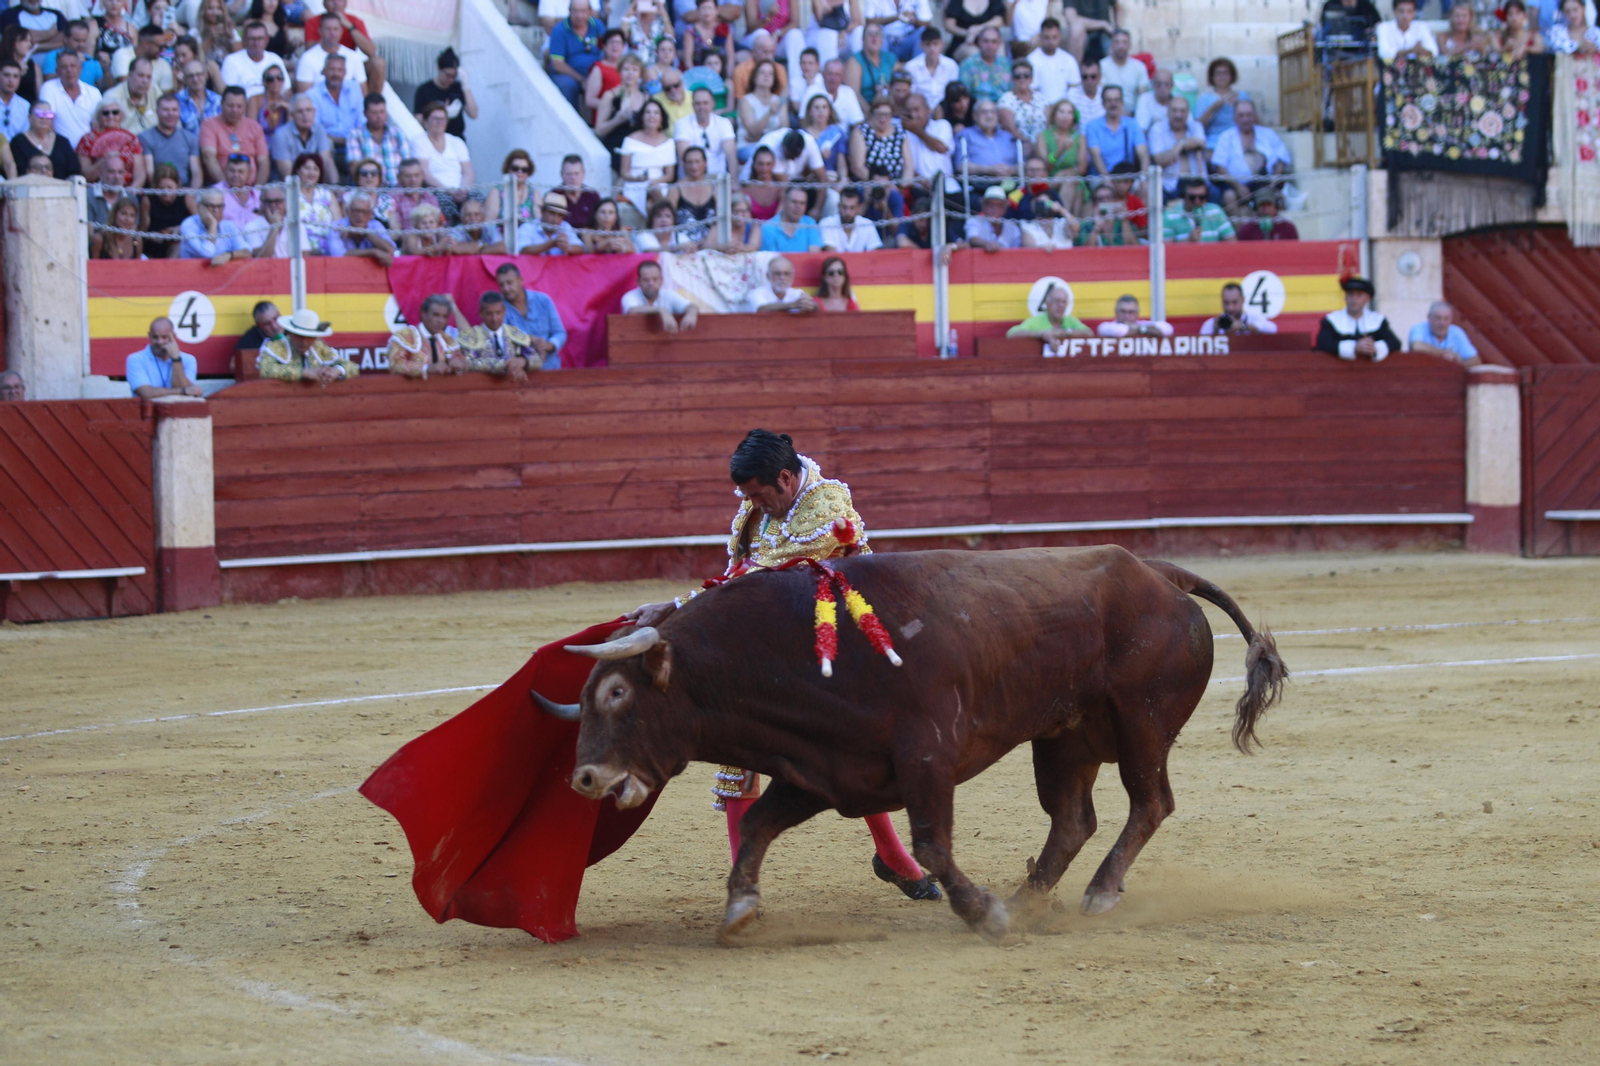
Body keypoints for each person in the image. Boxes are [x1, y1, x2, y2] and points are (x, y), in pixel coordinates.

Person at [623, 429, 942, 903]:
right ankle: (743, 886)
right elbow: (735, 574)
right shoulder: (758, 506)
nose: (752, 503)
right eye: (748, 495)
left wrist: (673, 608)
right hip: (769, 643)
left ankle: (894, 857)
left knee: (847, 752)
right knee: (738, 754)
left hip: (830, 652)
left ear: (787, 478)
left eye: (758, 494)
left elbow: (758, 580)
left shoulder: (826, 507)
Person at [1209, 99, 1290, 209]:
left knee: (1277, 197)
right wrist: (1238, 187)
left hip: (1265, 182)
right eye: (1241, 115)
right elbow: (1219, 166)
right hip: (1235, 184)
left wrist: (1273, 182)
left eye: (1248, 115)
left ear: (1255, 116)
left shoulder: (1268, 134)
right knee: (1229, 196)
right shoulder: (1226, 137)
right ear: (1234, 117)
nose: (1245, 119)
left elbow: (1282, 158)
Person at [303, 0, 385, 96]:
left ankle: (374, 102)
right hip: (323, 67)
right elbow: (310, 53)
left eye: (340, 0)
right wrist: (329, 30)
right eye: (331, 0)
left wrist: (348, 25)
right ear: (324, 3)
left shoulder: (355, 21)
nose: (336, 3)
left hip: (350, 66)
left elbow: (372, 51)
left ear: (346, 3)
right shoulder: (313, 22)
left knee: (378, 63)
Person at [494, 262, 567, 370]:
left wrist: (549, 345)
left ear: (520, 280)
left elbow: (560, 333)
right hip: (519, 371)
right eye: (501, 285)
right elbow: (501, 340)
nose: (506, 288)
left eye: (509, 283)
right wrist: (529, 340)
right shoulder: (498, 307)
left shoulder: (543, 300)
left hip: (550, 368)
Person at [257, 306, 359, 384]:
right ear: (291, 334)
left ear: (315, 338)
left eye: (309, 337)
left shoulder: (319, 348)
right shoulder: (275, 347)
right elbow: (265, 370)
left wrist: (337, 370)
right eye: (299, 336)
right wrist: (304, 373)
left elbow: (352, 367)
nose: (304, 342)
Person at [454, 292, 537, 382]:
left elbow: (536, 358)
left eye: (498, 313)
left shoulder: (515, 333)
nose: (494, 318)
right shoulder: (472, 336)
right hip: (483, 386)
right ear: (481, 312)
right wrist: (504, 365)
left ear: (504, 311)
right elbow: (468, 362)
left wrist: (523, 361)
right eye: (489, 314)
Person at [1315, 276, 1402, 361]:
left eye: (1359, 295)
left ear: (1367, 299)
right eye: (1350, 294)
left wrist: (1374, 347)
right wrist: (1354, 347)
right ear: (1345, 297)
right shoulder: (1332, 320)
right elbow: (1322, 344)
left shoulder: (1377, 320)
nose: (1354, 299)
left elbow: (1395, 343)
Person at [386, 293, 464, 378]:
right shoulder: (405, 336)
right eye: (435, 315)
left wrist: (459, 363)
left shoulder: (447, 339)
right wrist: (426, 368)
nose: (440, 321)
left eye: (444, 316)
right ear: (424, 314)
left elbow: (462, 359)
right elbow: (395, 364)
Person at [199, 84, 267, 181]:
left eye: (239, 106)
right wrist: (225, 187)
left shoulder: (255, 127)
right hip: (219, 186)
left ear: (245, 107)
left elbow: (263, 161)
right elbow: (208, 156)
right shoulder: (209, 124)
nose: (235, 110)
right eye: (230, 106)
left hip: (251, 186)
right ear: (222, 104)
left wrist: (258, 188)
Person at [1146, 94, 1208, 200]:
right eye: (1174, 110)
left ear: (1188, 113)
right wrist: (1184, 145)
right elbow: (1159, 160)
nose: (1178, 115)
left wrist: (1180, 145)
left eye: (1182, 111)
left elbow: (1201, 143)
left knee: (1216, 195)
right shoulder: (1157, 129)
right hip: (1169, 186)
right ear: (1168, 111)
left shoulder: (1196, 126)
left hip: (1196, 184)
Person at [548, 0, 606, 110]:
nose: (579, 16)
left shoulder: (597, 25)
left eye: (583, 11)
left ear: (590, 11)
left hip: (594, 71)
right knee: (568, 85)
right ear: (569, 11)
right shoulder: (559, 30)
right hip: (568, 73)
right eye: (575, 11)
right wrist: (581, 79)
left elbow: (608, 47)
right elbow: (557, 64)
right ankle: (569, 117)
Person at [310, 53, 361, 178]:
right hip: (328, 140)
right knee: (325, 143)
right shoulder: (313, 95)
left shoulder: (355, 88)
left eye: (339, 70)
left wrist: (354, 138)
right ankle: (333, 184)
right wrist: (341, 139)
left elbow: (362, 120)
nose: (335, 74)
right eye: (332, 69)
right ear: (324, 71)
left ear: (345, 72)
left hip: (353, 138)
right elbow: (315, 128)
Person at [126, 316, 204, 398]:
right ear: (149, 336)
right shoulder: (136, 359)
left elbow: (185, 396)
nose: (159, 342)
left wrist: (176, 359)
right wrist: (182, 391)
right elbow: (146, 393)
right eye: (155, 337)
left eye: (164, 337)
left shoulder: (189, 360)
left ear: (173, 336)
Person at [38, 50, 100, 148]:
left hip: (88, 149)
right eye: (64, 67)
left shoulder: (94, 92)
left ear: (80, 68)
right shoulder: (49, 87)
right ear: (57, 71)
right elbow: (47, 122)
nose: (69, 70)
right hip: (59, 149)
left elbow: (98, 125)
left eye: (73, 66)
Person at [954, 97, 1017, 193]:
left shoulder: (1008, 137)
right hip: (979, 187)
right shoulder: (965, 135)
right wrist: (988, 169)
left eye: (993, 112)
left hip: (1009, 186)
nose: (989, 116)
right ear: (975, 116)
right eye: (984, 112)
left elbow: (1021, 165)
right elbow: (960, 166)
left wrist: (1011, 170)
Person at [1084, 83, 1146, 178]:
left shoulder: (1132, 124)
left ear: (1122, 102)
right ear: (1103, 103)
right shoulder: (1092, 126)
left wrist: (1143, 178)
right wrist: (1108, 180)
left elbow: (1143, 153)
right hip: (1101, 177)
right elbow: (1095, 156)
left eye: (1116, 100)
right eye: (1109, 100)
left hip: (1127, 177)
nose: (1113, 104)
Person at [294, 14, 366, 95]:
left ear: (341, 31)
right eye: (328, 29)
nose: (332, 33)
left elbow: (363, 92)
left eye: (335, 29)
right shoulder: (307, 58)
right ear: (320, 31)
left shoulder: (354, 56)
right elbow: (303, 96)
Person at [675, 84, 738, 176]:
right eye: (698, 103)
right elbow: (684, 157)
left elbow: (731, 156)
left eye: (705, 103)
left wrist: (734, 180)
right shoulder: (682, 124)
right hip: (692, 179)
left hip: (718, 178)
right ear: (692, 105)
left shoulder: (724, 123)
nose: (702, 107)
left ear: (713, 104)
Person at [77, 99, 145, 184]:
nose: (110, 116)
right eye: (105, 113)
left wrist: (130, 190)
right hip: (97, 189)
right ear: (98, 116)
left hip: (127, 189)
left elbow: (140, 175)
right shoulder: (87, 140)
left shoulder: (132, 139)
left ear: (121, 116)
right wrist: (104, 161)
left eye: (115, 112)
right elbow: (85, 175)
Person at [413, 47, 477, 138]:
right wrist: (441, 114)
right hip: (434, 139)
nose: (450, 79)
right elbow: (418, 120)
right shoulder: (424, 90)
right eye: (448, 75)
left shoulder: (458, 87)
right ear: (439, 68)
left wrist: (466, 86)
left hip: (457, 138)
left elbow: (473, 114)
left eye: (454, 76)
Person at [270, 91, 334, 180]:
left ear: (314, 112)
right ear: (292, 115)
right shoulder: (281, 135)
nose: (305, 115)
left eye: (308, 110)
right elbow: (287, 173)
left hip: (313, 182)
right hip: (288, 184)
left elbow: (326, 162)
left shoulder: (319, 129)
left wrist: (335, 185)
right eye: (300, 111)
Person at [1007, 284, 1091, 352]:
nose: (1061, 305)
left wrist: (1065, 332)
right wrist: (1040, 334)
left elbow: (1089, 333)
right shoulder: (1036, 321)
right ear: (1047, 302)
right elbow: (1012, 334)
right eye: (1057, 301)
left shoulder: (1070, 320)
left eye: (1064, 302)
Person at [622, 259, 700, 332]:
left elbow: (691, 306)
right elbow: (632, 310)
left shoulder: (668, 294)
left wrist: (691, 313)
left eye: (655, 279)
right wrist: (661, 310)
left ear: (661, 280)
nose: (651, 283)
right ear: (638, 281)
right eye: (646, 280)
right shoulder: (630, 296)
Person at [179, 187, 251, 262]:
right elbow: (207, 253)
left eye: (219, 206)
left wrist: (229, 255)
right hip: (193, 269)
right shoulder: (189, 225)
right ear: (199, 207)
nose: (216, 210)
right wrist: (212, 226)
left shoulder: (228, 226)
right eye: (211, 206)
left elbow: (247, 251)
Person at [219, 18, 286, 97]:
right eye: (252, 39)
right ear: (245, 40)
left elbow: (286, 90)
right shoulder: (231, 60)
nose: (256, 43)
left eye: (260, 38)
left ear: (267, 39)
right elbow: (229, 95)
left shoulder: (275, 59)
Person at [348, 92, 403, 185]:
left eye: (382, 112)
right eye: (374, 113)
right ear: (365, 113)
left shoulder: (398, 133)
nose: (379, 117)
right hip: (370, 188)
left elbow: (407, 164)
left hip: (398, 189)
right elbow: (355, 168)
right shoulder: (355, 135)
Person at [1195, 56, 1249, 150]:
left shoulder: (1242, 96)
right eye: (1218, 73)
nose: (1222, 77)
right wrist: (1213, 108)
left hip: (1240, 140)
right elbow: (1198, 127)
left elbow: (1254, 122)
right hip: (1215, 142)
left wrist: (1239, 108)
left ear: (1232, 75)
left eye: (1225, 73)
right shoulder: (1205, 98)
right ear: (1212, 76)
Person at [736, 56, 787, 154]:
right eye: (762, 72)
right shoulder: (746, 101)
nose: (766, 76)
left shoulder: (778, 100)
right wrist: (770, 113)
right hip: (749, 146)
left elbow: (784, 129)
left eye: (770, 73)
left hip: (774, 145)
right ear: (754, 77)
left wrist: (760, 137)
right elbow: (753, 131)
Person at [1162, 176, 1235, 242]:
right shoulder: (1169, 215)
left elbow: (1231, 241)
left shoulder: (1216, 211)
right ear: (1183, 196)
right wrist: (1188, 241)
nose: (1197, 201)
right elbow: (1166, 249)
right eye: (1192, 197)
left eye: (1201, 197)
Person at [1026, 18, 1080, 104]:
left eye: (1054, 37)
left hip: (1065, 108)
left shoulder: (1069, 60)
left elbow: (1074, 88)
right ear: (1040, 37)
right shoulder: (1031, 60)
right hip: (1040, 107)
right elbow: (1032, 91)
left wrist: (1064, 107)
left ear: (1060, 36)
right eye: (1047, 37)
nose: (1051, 42)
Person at [1407, 301, 1480, 365]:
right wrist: (1444, 354)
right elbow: (1416, 346)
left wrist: (1456, 364)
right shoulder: (1419, 328)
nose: (1442, 323)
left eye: (1446, 318)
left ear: (1451, 319)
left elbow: (1475, 360)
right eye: (1438, 318)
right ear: (1429, 317)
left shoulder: (1456, 332)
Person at [142, 163, 192, 254]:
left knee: (178, 247)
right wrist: (151, 236)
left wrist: (181, 228)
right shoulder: (148, 200)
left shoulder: (186, 198)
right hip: (154, 246)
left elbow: (198, 224)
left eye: (170, 188)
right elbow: (142, 231)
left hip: (180, 245)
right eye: (161, 188)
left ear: (177, 185)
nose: (166, 192)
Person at [516, 190, 585, 255]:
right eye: (552, 213)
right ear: (542, 212)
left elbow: (581, 248)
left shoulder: (565, 226)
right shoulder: (528, 227)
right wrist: (551, 244)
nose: (555, 219)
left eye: (560, 215)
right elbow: (523, 250)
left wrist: (568, 247)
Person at [103, 55, 159, 133]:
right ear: (129, 76)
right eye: (140, 75)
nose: (145, 81)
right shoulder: (112, 97)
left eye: (148, 77)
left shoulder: (154, 90)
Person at [844, 20, 896, 104]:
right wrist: (871, 111)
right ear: (863, 39)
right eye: (870, 34)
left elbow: (901, 85)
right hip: (865, 107)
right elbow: (853, 95)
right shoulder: (854, 61)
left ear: (882, 40)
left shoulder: (890, 58)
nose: (874, 38)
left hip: (888, 105)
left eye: (877, 34)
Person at [338, 190, 396, 265]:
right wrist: (373, 252)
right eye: (356, 211)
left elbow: (390, 249)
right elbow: (338, 254)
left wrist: (366, 233)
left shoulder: (375, 225)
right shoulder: (338, 226)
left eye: (364, 212)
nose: (360, 216)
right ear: (348, 212)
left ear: (371, 214)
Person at [743, 254, 817, 312]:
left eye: (787, 274)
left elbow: (815, 307)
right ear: (768, 276)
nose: (782, 278)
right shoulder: (756, 293)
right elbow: (761, 309)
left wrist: (811, 306)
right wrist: (792, 305)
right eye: (777, 274)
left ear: (792, 276)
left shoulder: (797, 293)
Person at [761, 185, 824, 252]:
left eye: (802, 203)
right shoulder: (768, 227)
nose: (798, 207)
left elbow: (814, 253)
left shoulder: (810, 223)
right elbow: (771, 256)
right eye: (794, 202)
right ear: (785, 202)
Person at [820, 185, 883, 251]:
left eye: (852, 208)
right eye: (844, 207)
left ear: (859, 207)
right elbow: (831, 253)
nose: (848, 212)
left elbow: (875, 252)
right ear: (839, 206)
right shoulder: (827, 223)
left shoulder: (868, 224)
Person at [1201, 282, 1278, 335]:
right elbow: (1203, 347)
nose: (1230, 308)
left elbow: (1272, 329)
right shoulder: (1212, 324)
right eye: (1226, 303)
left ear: (1243, 300)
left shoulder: (1252, 319)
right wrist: (1215, 332)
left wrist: (1243, 326)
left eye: (1234, 302)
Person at [908, 25, 957, 108]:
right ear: (921, 45)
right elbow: (911, 94)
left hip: (945, 108)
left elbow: (953, 93)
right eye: (928, 44)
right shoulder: (911, 67)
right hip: (920, 108)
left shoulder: (951, 65)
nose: (932, 48)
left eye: (935, 44)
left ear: (942, 44)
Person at [996, 57, 1045, 142]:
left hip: (1041, 145)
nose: (1022, 79)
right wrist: (1028, 144)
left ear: (1032, 78)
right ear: (1012, 79)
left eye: (1026, 75)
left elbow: (1048, 125)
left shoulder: (1041, 98)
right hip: (1017, 144)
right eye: (1018, 76)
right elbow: (1010, 128)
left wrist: (1041, 146)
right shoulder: (1006, 99)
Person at [958, 25, 1010, 102]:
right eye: (986, 41)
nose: (990, 45)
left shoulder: (1007, 64)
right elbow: (964, 94)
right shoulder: (967, 65)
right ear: (979, 41)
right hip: (978, 105)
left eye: (994, 42)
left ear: (999, 43)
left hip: (1003, 105)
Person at [964, 183, 1020, 250]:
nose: (994, 209)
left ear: (1005, 209)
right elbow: (972, 238)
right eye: (990, 205)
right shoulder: (974, 221)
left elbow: (1019, 249)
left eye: (999, 205)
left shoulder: (1012, 227)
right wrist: (985, 244)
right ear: (983, 207)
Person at [554, 152, 604, 228]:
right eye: (569, 174)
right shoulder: (554, 196)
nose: (573, 178)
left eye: (576, 174)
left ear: (583, 174)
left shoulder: (593, 196)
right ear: (561, 174)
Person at [391, 157, 441, 233]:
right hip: (406, 239)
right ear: (399, 177)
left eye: (416, 175)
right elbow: (395, 232)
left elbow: (440, 224)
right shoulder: (393, 198)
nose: (413, 179)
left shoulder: (430, 196)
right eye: (408, 176)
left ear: (422, 175)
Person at [1, 0, 68, 53]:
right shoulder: (9, 14)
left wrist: (38, 47)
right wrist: (50, 33)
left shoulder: (55, 14)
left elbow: (66, 38)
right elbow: (15, 37)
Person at [175, 59, 221, 134]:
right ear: (185, 79)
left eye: (199, 74)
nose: (195, 79)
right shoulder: (177, 101)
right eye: (190, 76)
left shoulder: (218, 100)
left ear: (206, 75)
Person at [1096, 294, 1172, 338]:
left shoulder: (1143, 324)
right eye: (1123, 311)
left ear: (1137, 313)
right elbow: (1120, 331)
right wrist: (1145, 330)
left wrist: (1139, 328)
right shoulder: (1106, 327)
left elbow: (1167, 329)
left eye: (1131, 312)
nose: (1126, 315)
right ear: (1116, 312)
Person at [235, 299, 281, 371]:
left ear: (280, 314)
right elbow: (233, 366)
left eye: (275, 319)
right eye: (267, 324)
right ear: (258, 325)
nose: (274, 326)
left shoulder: (293, 330)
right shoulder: (250, 339)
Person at [1064, 56, 1103, 124]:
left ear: (1099, 77)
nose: (1089, 80)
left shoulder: (1105, 93)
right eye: (1085, 77)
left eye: (1093, 77)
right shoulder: (1072, 94)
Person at [1132, 65, 1172, 132]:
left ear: (1172, 85)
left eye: (1166, 84)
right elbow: (1142, 129)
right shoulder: (1144, 99)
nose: (1162, 87)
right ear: (1153, 85)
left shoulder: (1178, 101)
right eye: (1158, 84)